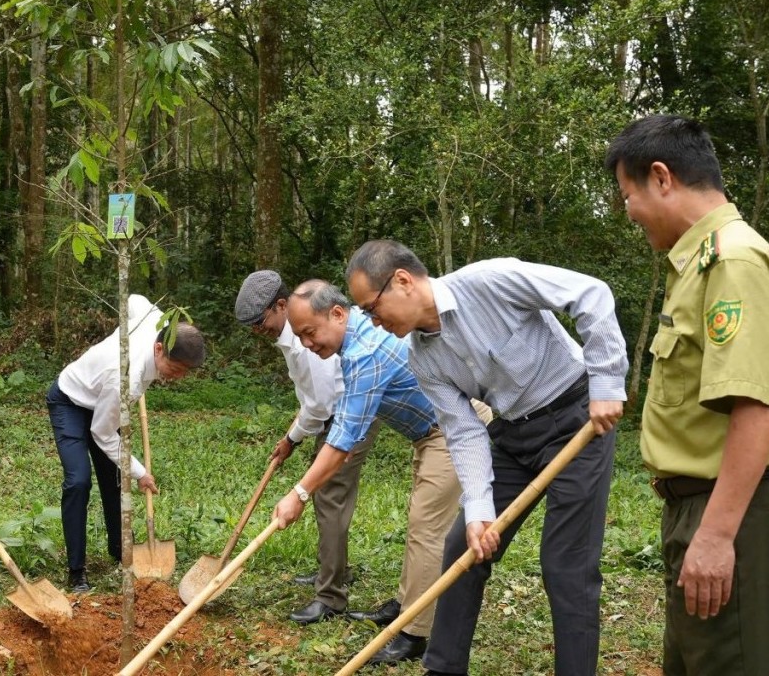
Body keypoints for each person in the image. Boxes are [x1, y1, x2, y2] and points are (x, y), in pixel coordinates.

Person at [346, 240, 628, 676]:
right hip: (514, 436)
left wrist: (607, 380)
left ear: (401, 281)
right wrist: (478, 507)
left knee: (565, 565)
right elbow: (463, 430)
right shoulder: (422, 358)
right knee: (465, 546)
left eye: (371, 307)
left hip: (579, 423)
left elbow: (591, 294)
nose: (372, 320)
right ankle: (443, 669)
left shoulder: (490, 281)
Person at [607, 114, 769, 675]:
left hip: (728, 510)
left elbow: (756, 407)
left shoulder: (732, 261)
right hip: (694, 507)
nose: (629, 213)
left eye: (628, 196)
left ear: (661, 177)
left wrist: (717, 535)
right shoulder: (696, 263)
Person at [270, 279, 463, 664]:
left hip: (453, 431)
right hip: (427, 433)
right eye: (301, 336)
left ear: (338, 314)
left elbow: (343, 440)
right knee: (419, 526)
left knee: (427, 531)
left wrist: (299, 493)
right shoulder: (357, 335)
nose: (307, 344)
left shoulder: (364, 351)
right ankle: (406, 604)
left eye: (310, 332)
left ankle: (414, 634)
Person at [234, 271, 382, 626]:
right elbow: (313, 402)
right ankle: (332, 572)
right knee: (324, 497)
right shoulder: (293, 339)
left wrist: (293, 438)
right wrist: (290, 440)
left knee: (328, 496)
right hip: (333, 415)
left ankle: (331, 595)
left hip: (351, 416)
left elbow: (320, 403)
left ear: (282, 305)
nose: (258, 330)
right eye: (252, 326)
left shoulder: (306, 341)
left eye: (261, 321)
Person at [47, 294, 206, 592]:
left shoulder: (157, 323)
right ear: (159, 348)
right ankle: (77, 570)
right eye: (176, 369)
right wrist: (140, 471)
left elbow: (134, 298)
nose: (178, 378)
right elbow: (103, 434)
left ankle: (119, 547)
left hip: (104, 402)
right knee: (79, 480)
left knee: (114, 479)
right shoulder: (126, 378)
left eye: (186, 372)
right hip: (70, 400)